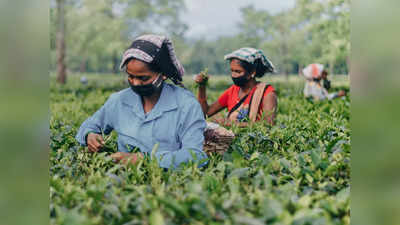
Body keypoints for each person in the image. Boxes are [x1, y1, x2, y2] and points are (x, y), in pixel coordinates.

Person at [75, 34, 207, 169]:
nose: (136, 83)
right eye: (130, 76)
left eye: (143, 78)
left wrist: (144, 160)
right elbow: (90, 125)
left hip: (167, 182)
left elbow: (195, 155)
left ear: (163, 74)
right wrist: (89, 135)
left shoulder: (186, 105)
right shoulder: (119, 101)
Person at [194, 47, 277, 127]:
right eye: (232, 71)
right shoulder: (233, 90)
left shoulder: (267, 93)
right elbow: (206, 113)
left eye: (238, 71)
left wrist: (231, 123)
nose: (233, 75)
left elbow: (268, 125)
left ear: (252, 72)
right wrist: (202, 87)